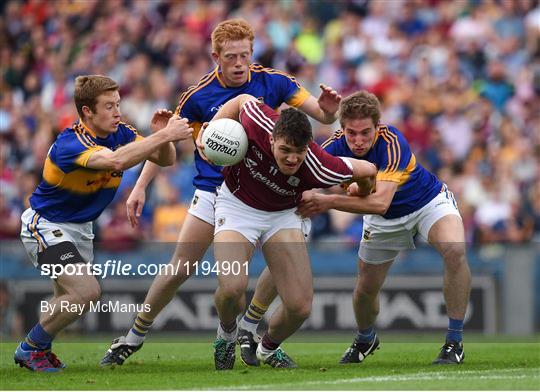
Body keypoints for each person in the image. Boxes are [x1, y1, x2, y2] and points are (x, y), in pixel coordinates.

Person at [100, 19, 343, 367]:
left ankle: (248, 327)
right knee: (180, 267)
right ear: (216, 56)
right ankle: (134, 336)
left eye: (245, 54)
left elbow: (320, 114)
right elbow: (168, 138)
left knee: (284, 261)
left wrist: (329, 110)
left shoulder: (273, 82)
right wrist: (140, 186)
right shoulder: (199, 96)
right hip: (216, 191)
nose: (240, 63)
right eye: (231, 57)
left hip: (272, 192)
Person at [15, 75, 193, 372]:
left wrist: (160, 134)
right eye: (109, 106)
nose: (117, 112)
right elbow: (116, 162)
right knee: (86, 292)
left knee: (70, 299)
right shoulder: (70, 143)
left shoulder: (120, 132)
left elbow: (166, 159)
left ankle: (41, 349)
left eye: (118, 104)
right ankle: (29, 348)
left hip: (80, 229)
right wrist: (163, 137)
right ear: (87, 112)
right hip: (45, 225)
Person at [199, 94, 376, 369]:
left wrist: (360, 190)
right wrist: (211, 129)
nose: (293, 159)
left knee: (299, 307)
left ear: (309, 146)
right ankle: (226, 333)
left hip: (282, 216)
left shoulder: (321, 165)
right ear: (272, 140)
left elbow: (369, 170)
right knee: (233, 289)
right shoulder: (258, 122)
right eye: (285, 151)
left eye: (300, 151)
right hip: (236, 206)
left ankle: (267, 349)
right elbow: (241, 99)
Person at [295, 90, 472, 365]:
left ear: (378, 126)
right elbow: (298, 173)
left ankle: (454, 342)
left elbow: (379, 203)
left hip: (426, 202)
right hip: (383, 222)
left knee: (455, 251)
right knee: (366, 289)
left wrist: (328, 201)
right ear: (342, 129)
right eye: (351, 133)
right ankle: (365, 338)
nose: (358, 140)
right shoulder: (331, 147)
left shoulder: (392, 141)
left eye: (366, 132)